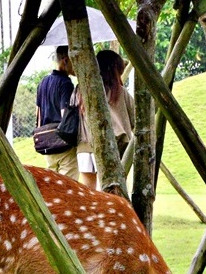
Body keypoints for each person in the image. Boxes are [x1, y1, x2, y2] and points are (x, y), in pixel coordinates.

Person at [75, 49, 135, 189]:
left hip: (85, 147)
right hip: (112, 147)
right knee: (112, 190)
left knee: (89, 192)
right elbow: (135, 118)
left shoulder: (82, 89)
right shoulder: (119, 92)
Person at [35, 46, 78, 179]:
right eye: (74, 61)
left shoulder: (43, 82)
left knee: (53, 186)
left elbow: (38, 113)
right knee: (68, 185)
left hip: (46, 142)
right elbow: (66, 114)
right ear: (65, 61)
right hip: (63, 143)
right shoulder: (66, 83)